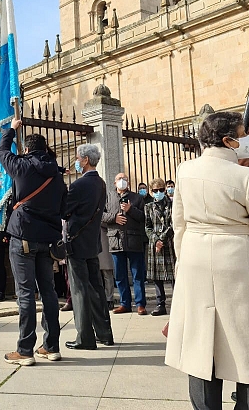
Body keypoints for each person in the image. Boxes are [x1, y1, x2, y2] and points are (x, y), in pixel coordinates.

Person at [165, 111, 249, 410]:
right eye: (243, 134)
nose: (248, 140)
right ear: (228, 140)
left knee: (201, 343)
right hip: (239, 260)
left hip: (195, 255)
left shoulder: (185, 170)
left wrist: (183, 260)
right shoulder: (245, 176)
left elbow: (179, 223)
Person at [0, 118, 67, 366]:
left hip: (23, 235)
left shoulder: (22, 167)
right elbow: (64, 207)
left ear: (26, 149)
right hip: (47, 239)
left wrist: (11, 130)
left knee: (25, 293)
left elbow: (2, 150)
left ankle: (25, 350)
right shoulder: (57, 175)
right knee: (48, 292)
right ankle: (51, 346)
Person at [63, 144, 113, 350]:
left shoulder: (78, 185)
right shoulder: (101, 183)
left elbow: (65, 211)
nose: (76, 161)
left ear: (84, 160)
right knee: (96, 289)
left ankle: (85, 337)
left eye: (77, 158)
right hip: (92, 242)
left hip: (76, 242)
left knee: (79, 291)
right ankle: (104, 333)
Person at [104, 172, 147, 315]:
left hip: (134, 240)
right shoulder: (108, 197)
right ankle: (125, 304)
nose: (122, 181)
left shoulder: (137, 198)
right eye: (119, 179)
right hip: (115, 240)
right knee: (120, 275)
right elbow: (100, 216)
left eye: (125, 179)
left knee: (137, 275)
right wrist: (114, 218)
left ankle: (140, 304)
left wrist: (131, 210)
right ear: (114, 183)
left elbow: (143, 217)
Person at [144, 177, 175, 316]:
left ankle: (177, 303)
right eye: (155, 190)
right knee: (157, 276)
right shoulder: (148, 207)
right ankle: (160, 304)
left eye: (161, 190)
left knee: (174, 274)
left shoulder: (172, 204)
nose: (159, 192)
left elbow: (174, 224)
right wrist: (155, 240)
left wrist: (162, 239)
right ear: (151, 191)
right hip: (155, 244)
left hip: (169, 242)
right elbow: (147, 226)